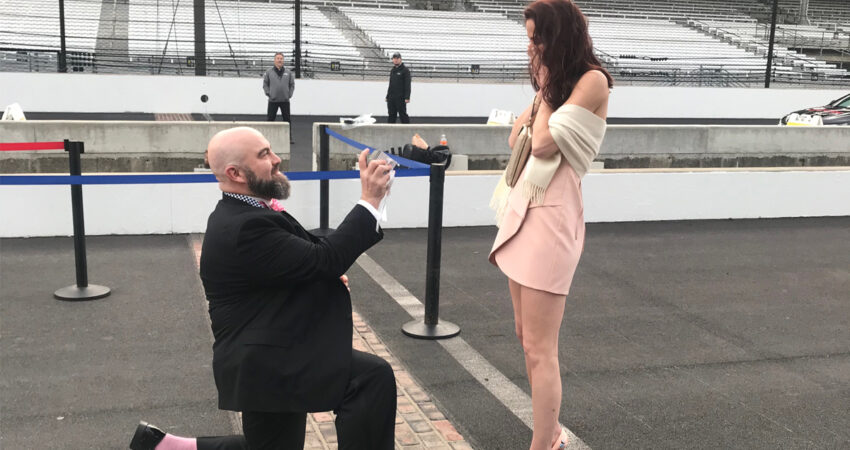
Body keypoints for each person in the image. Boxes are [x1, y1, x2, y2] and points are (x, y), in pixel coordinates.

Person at [130, 127, 397, 450]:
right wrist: (369, 201)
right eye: (264, 155)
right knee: (368, 380)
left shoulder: (251, 211)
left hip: (269, 351)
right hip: (267, 360)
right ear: (235, 173)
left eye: (270, 150)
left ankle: (168, 448)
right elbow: (323, 259)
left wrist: (321, 275)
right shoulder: (246, 225)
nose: (276, 159)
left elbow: (303, 257)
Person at [488, 1, 613, 449]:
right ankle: (551, 434)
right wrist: (544, 92)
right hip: (524, 209)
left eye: (536, 38)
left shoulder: (592, 81)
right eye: (528, 39)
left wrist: (543, 90)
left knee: (541, 348)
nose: (531, 48)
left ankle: (544, 443)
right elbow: (514, 138)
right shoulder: (555, 87)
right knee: (526, 337)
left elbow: (540, 142)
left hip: (553, 217)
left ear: (559, 37)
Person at [263, 52, 295, 143]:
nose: (279, 60)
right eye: (278, 58)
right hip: (273, 100)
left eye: (281, 58)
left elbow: (292, 85)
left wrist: (289, 94)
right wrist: (269, 93)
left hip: (285, 100)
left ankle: (289, 137)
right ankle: (268, 137)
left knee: (287, 120)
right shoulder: (269, 72)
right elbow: (265, 84)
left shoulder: (288, 72)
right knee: (270, 119)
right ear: (274, 60)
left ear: (283, 60)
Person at [385, 52, 411, 123]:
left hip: (400, 97)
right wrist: (387, 96)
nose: (395, 60)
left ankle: (407, 128)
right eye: (394, 58)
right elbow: (391, 84)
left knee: (403, 115)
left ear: (400, 59)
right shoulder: (392, 70)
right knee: (391, 115)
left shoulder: (405, 70)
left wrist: (407, 97)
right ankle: (390, 129)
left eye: (397, 58)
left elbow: (407, 84)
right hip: (391, 97)